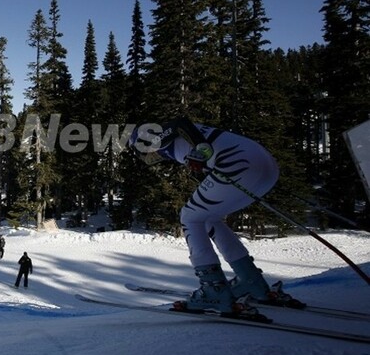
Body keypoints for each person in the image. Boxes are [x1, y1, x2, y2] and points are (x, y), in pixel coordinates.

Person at [129, 116, 302, 315]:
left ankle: (213, 288)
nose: (149, 158)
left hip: (237, 162)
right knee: (207, 216)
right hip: (264, 165)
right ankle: (250, 279)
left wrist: (200, 150)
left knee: (189, 217)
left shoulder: (151, 136)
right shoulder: (173, 145)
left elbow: (180, 124)